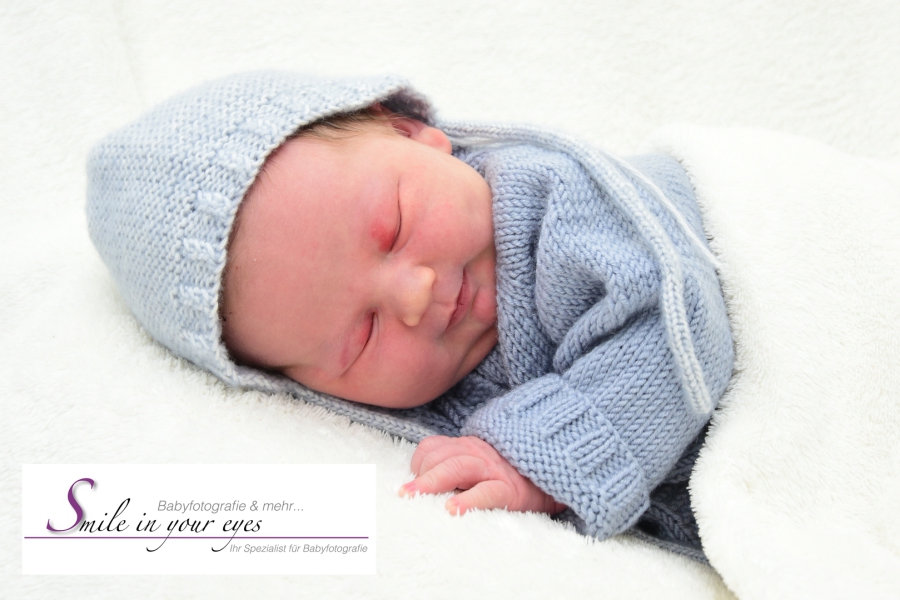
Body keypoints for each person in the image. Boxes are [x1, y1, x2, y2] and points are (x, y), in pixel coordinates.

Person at [86, 71, 733, 561]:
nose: (415, 294)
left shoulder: (561, 207)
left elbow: (679, 325)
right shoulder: (417, 412)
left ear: (411, 132)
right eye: (362, 336)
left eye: (393, 227)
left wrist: (536, 461)